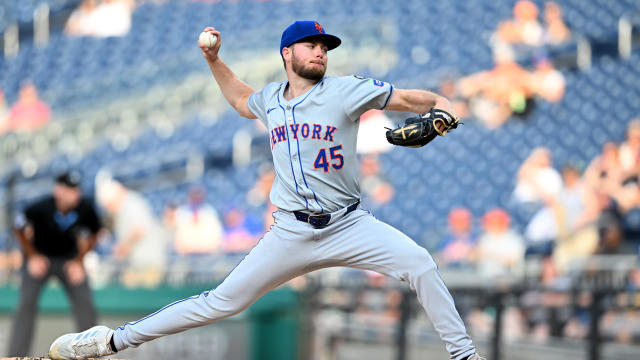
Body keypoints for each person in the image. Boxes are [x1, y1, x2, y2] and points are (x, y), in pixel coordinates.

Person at [49, 20, 485, 360]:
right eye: (311, 45)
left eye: (324, 47)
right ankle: (109, 342)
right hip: (291, 233)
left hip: (349, 224)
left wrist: (444, 111)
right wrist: (214, 60)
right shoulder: (271, 100)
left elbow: (415, 99)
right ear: (287, 53)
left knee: (421, 264)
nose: (320, 51)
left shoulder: (347, 90)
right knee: (219, 302)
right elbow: (241, 98)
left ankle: (463, 354)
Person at [8, 171, 102, 356]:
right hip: (41, 259)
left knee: (85, 302)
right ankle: (15, 355)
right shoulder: (42, 207)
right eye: (70, 189)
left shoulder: (85, 207)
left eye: (76, 189)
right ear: (58, 190)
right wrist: (32, 256)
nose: (75, 194)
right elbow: (18, 227)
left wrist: (79, 260)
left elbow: (96, 232)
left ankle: (92, 354)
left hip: (69, 260)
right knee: (26, 302)